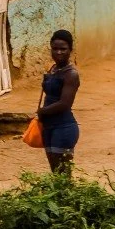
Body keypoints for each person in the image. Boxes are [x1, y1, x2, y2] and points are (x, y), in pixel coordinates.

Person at [35, 29, 80, 173]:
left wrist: (42, 111)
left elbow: (65, 104)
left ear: (70, 50)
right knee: (56, 175)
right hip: (49, 128)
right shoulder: (53, 69)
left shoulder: (71, 75)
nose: (59, 52)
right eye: (55, 49)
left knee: (63, 177)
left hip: (64, 128)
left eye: (63, 49)